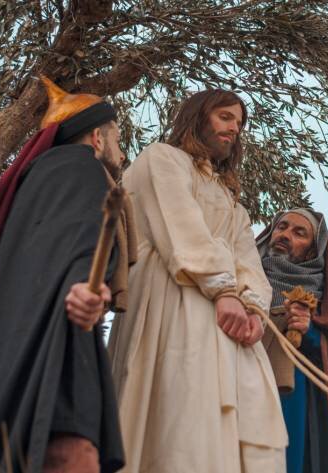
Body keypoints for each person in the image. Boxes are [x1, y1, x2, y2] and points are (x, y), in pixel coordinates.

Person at [0, 76, 137, 473]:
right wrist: (84, 286)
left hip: (26, 327)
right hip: (61, 327)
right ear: (97, 138)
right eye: (118, 139)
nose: (122, 154)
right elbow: (81, 235)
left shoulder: (39, 178)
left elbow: (55, 245)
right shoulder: (79, 166)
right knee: (74, 453)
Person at [107, 89, 287, 473]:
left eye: (239, 123)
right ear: (198, 116)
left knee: (241, 409)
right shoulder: (162, 158)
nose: (234, 128)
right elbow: (181, 228)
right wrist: (223, 290)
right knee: (183, 405)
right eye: (225, 117)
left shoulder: (231, 201)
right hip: (172, 297)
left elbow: (248, 261)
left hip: (228, 315)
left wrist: (254, 309)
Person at [255, 209, 328, 473]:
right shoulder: (244, 281)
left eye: (299, 233)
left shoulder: (325, 299)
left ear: (312, 251)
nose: (285, 235)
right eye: (281, 227)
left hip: (295, 405)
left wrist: (311, 332)